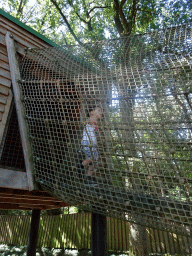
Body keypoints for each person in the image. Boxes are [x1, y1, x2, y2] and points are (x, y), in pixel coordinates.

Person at [81, 106, 103, 185]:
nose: (101, 112)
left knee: (94, 162)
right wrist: (93, 121)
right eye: (99, 110)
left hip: (92, 144)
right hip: (87, 143)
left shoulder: (95, 122)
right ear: (91, 112)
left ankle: (88, 178)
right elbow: (89, 121)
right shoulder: (90, 119)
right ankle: (80, 166)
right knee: (92, 158)